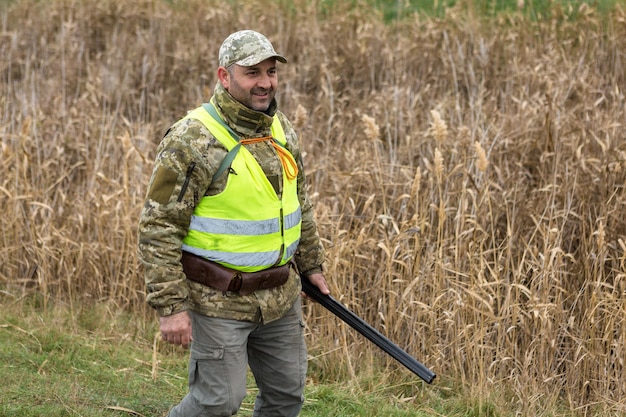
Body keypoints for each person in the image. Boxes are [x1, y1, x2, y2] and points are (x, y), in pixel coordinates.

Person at [137, 29, 329, 417]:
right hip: (218, 300)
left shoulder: (280, 128)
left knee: (286, 400)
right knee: (217, 402)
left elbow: (300, 203)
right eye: (252, 72)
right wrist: (171, 306)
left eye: (271, 71)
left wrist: (311, 266)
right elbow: (158, 227)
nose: (265, 82)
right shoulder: (193, 139)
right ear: (225, 76)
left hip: (280, 296)